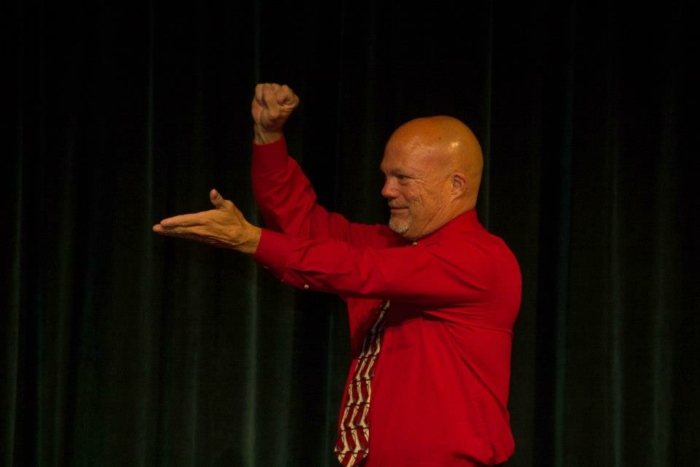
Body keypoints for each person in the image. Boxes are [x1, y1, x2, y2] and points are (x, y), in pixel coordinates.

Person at [153, 83, 522, 467]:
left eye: (402, 178)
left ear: (455, 185)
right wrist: (268, 136)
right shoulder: (390, 246)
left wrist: (250, 239)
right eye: (384, 175)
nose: (386, 190)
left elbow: (358, 270)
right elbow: (303, 226)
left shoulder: (482, 259)